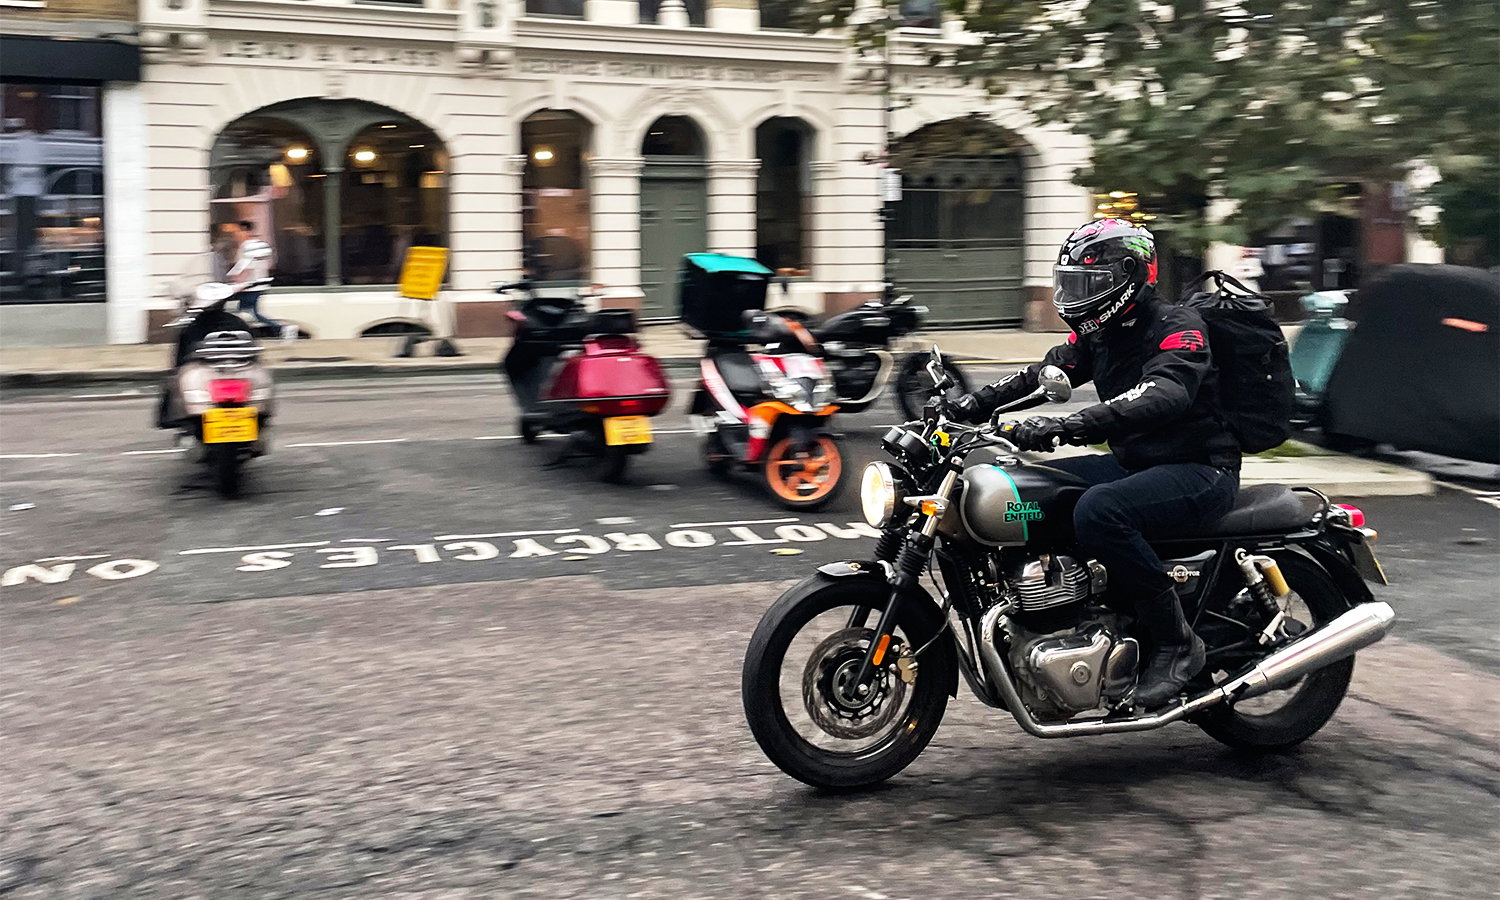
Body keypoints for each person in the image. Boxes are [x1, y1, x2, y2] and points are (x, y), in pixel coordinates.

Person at [950, 218, 1241, 709]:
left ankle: (1177, 644)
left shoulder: (1179, 327)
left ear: (1128, 275)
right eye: (1072, 283)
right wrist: (969, 405)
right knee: (1037, 487)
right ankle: (1072, 613)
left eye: (1089, 283)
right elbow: (1043, 373)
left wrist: (1069, 425)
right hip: (1139, 465)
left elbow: (1167, 391)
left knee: (1100, 510)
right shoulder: (1101, 334)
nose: (1076, 295)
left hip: (1200, 469)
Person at [225, 221, 295, 342]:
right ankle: (281, 328)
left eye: (237, 232)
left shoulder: (248, 246)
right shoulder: (258, 245)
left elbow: (246, 267)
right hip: (255, 285)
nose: (235, 235)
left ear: (245, 232)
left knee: (234, 309)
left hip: (250, 286)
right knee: (249, 312)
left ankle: (282, 328)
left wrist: (235, 280)